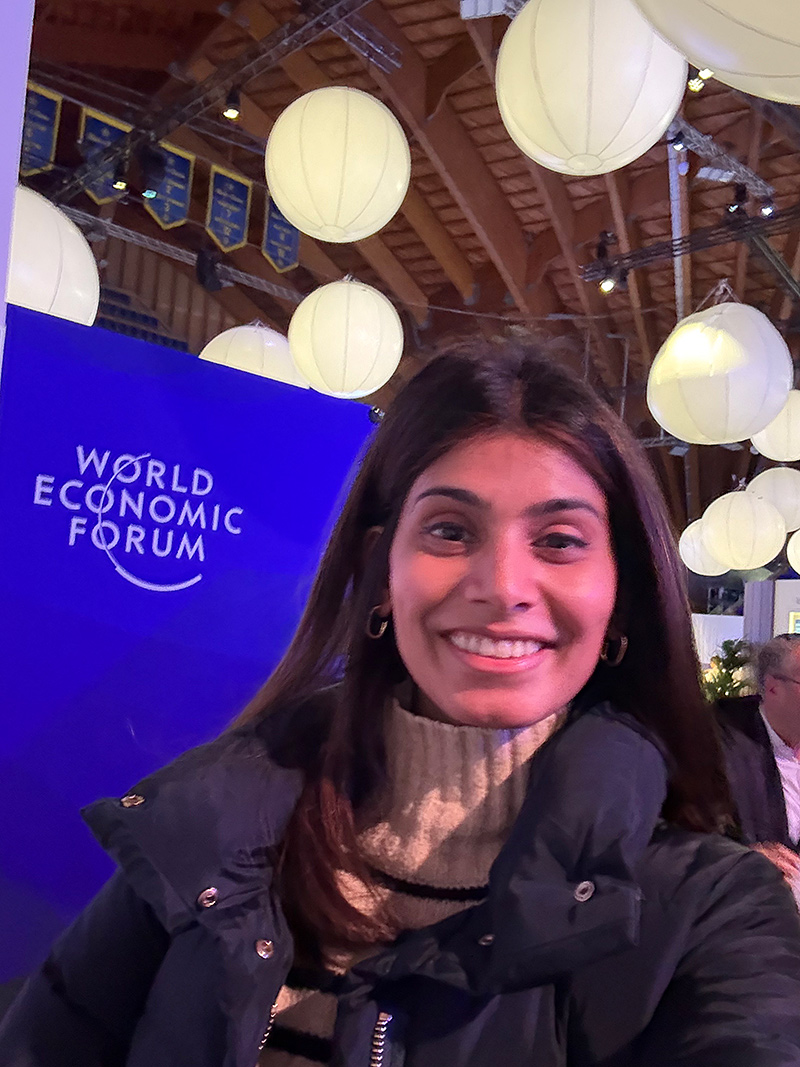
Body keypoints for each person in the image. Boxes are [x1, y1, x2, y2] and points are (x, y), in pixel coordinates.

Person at [2, 339, 800, 1067]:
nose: (501, 587)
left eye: (558, 540)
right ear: (383, 571)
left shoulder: (713, 913)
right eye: (450, 530)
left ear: (620, 598)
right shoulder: (211, 832)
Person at [718, 634, 800, 891]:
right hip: (750, 904)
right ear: (773, 686)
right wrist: (744, 858)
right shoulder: (718, 743)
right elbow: (681, 838)